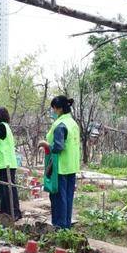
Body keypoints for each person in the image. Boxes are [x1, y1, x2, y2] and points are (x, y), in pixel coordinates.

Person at [39, 95, 81, 230]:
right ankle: (66, 225)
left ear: (59, 109)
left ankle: (59, 225)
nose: (52, 111)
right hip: (72, 165)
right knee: (68, 196)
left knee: (58, 197)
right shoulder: (73, 123)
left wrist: (46, 144)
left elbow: (58, 147)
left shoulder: (60, 125)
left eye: (53, 108)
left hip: (60, 166)